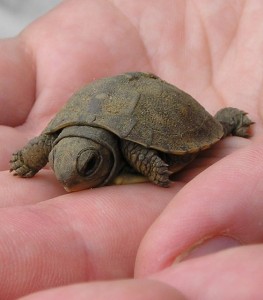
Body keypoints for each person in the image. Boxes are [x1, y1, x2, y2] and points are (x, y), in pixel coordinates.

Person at [0, 1, 262, 299]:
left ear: (103, 157)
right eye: (58, 165)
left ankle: (225, 120)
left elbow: (139, 151)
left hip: (153, 110)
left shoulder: (129, 148)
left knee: (216, 132)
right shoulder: (57, 141)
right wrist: (27, 161)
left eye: (88, 167)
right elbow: (45, 144)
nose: (67, 182)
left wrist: (153, 167)